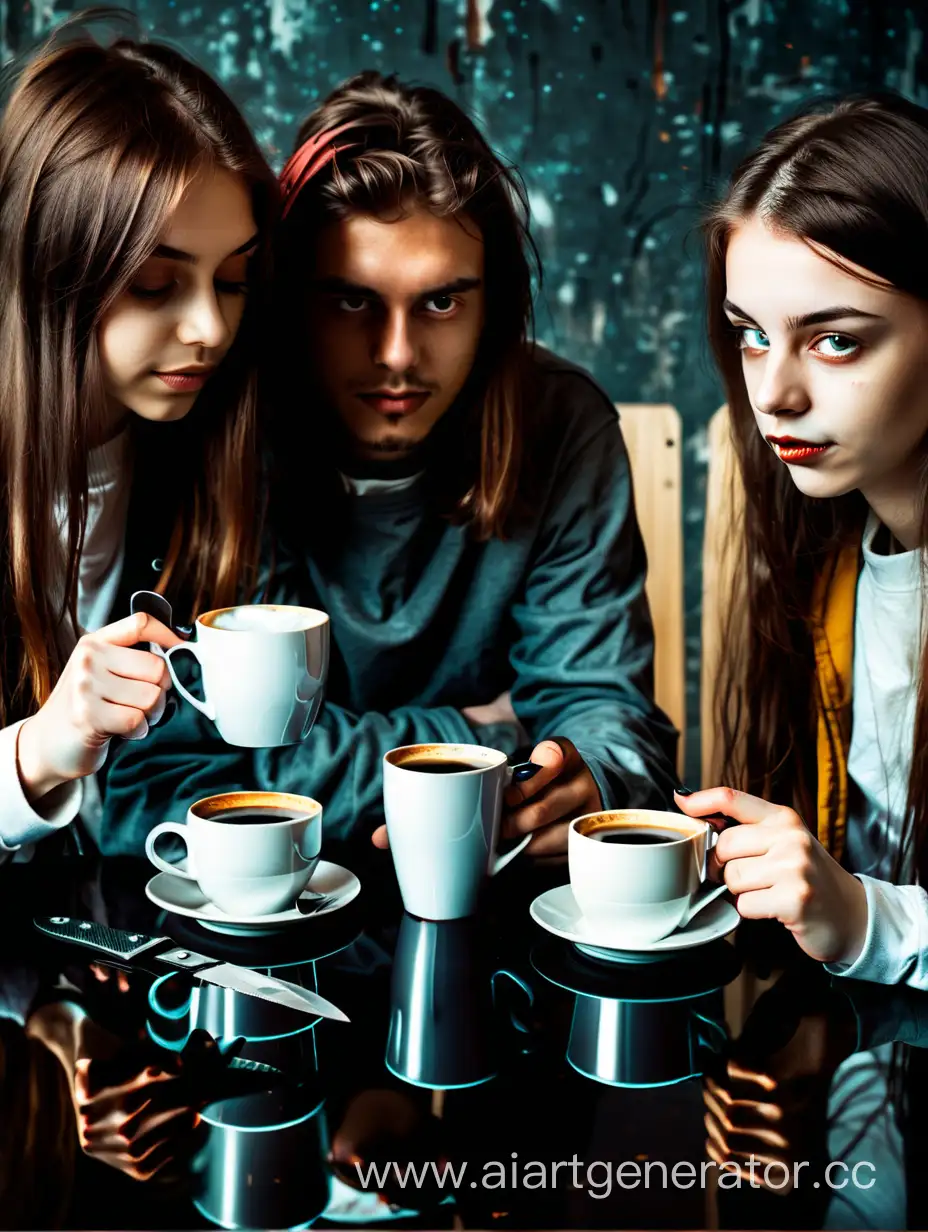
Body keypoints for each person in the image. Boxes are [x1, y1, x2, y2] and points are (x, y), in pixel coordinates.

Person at [100, 71, 677, 863]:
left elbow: (611, 724)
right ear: (289, 298)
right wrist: (480, 737)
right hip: (255, 932)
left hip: (494, 927)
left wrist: (594, 777)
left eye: (441, 303)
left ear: (493, 305)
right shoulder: (212, 424)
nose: (397, 355)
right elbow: (153, 789)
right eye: (351, 301)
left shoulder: (562, 424)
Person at [0, 10, 276, 864]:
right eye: (156, 285)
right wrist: (41, 750)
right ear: (49, 274)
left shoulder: (209, 450)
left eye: (232, 280)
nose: (208, 329)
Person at [675, 91, 928, 989]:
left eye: (834, 340)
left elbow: (872, 913)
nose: (773, 393)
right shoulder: (826, 563)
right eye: (750, 336)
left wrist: (868, 919)